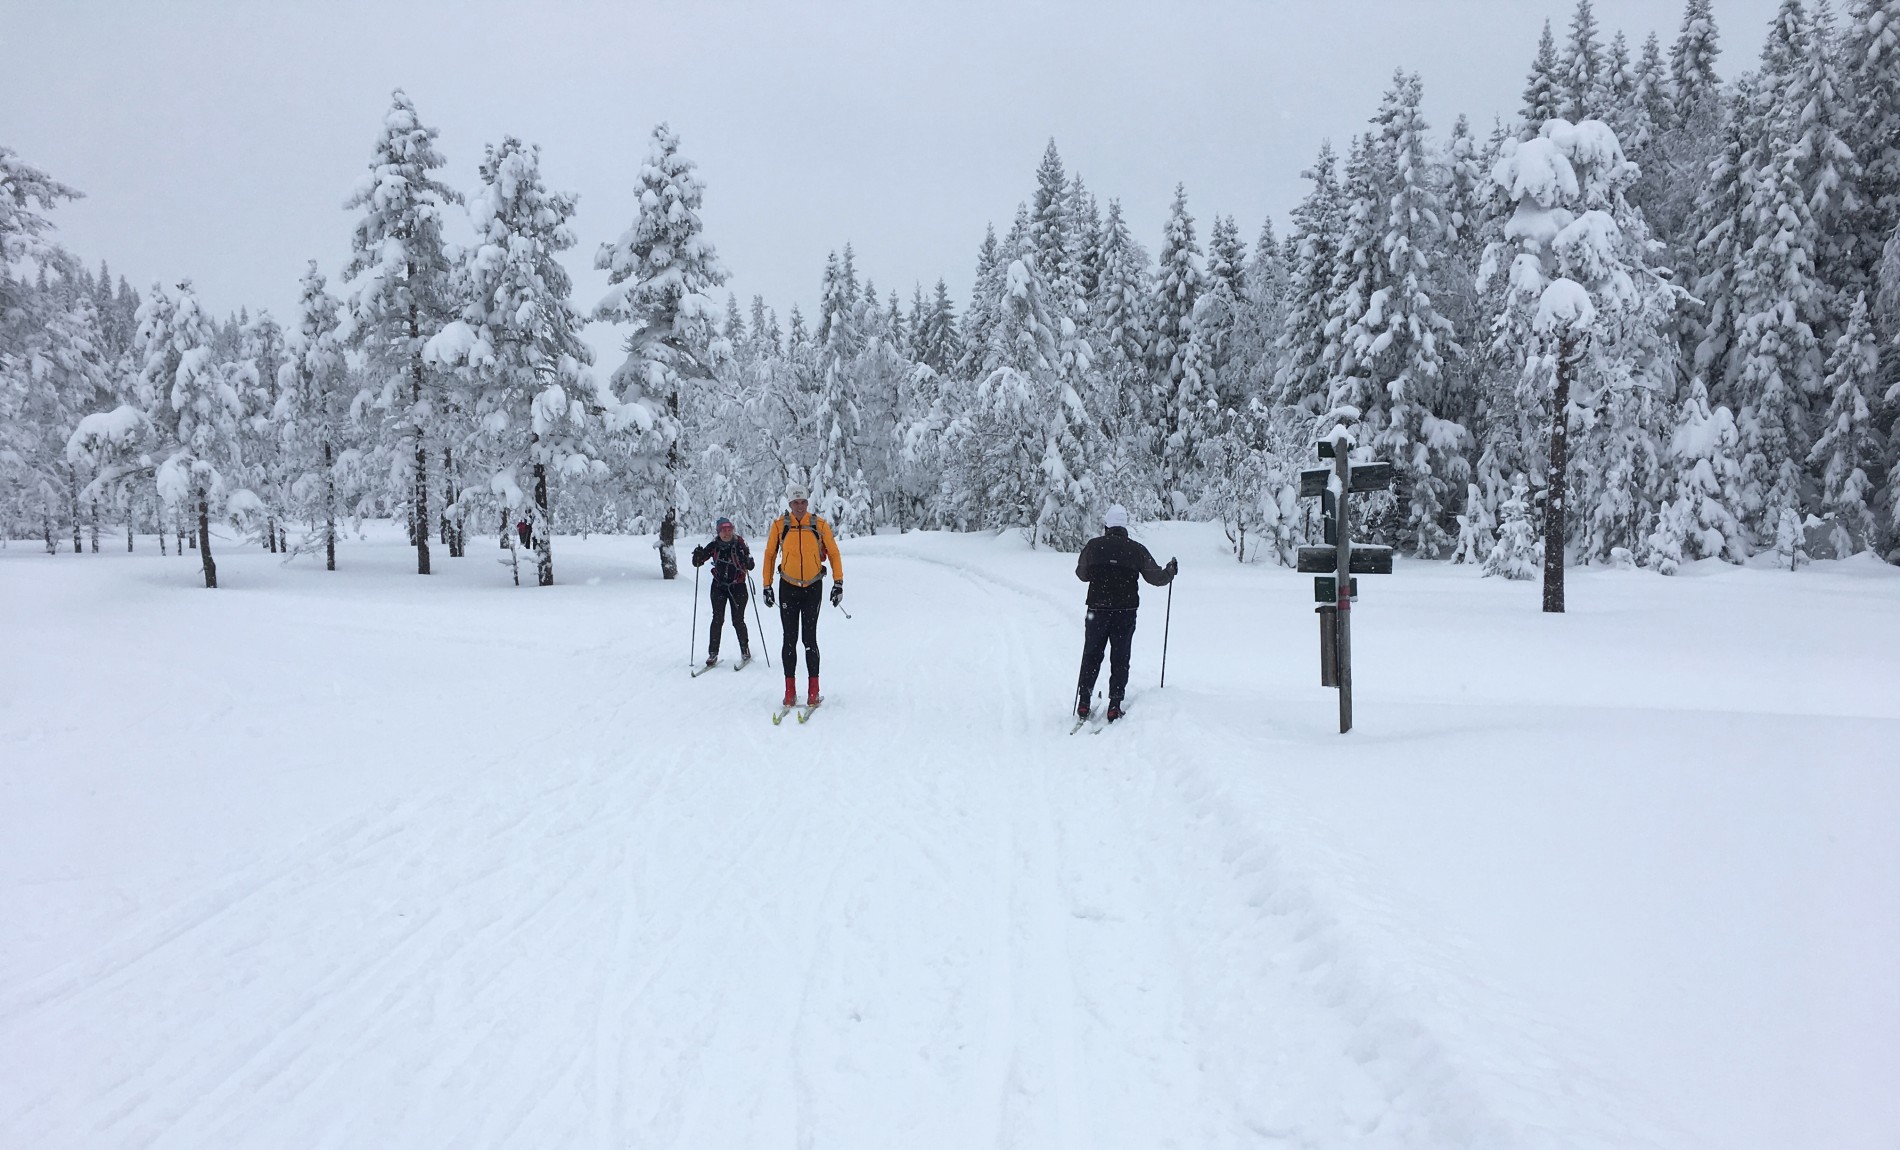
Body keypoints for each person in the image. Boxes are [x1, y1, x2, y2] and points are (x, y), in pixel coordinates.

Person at [1074, 504, 1176, 722]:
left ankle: (1084, 702)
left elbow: (1081, 574)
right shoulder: (1136, 549)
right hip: (1125, 612)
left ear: (1107, 526)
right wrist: (1170, 571)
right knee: (1120, 657)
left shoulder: (1094, 546)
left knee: (1092, 654)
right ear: (1124, 527)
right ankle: (1114, 704)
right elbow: (1156, 578)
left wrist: (1099, 573)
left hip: (1097, 610)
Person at [759, 485, 843, 707]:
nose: (799, 506)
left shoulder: (818, 525)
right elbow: (769, 555)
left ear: (807, 503)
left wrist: (838, 583)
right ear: (789, 504)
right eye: (795, 503)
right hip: (788, 587)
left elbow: (834, 553)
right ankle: (790, 692)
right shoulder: (780, 526)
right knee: (789, 639)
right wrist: (767, 585)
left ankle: (813, 691)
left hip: (813, 588)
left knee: (809, 639)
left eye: (803, 502)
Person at [690, 517, 755, 667]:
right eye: (723, 530)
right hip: (719, 586)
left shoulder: (739, 544)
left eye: (729, 530)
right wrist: (697, 555)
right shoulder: (714, 545)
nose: (726, 533)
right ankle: (713, 653)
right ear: (718, 532)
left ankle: (745, 650)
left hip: (738, 586)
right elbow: (697, 563)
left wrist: (747, 560)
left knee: (738, 620)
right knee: (717, 619)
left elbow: (751, 565)